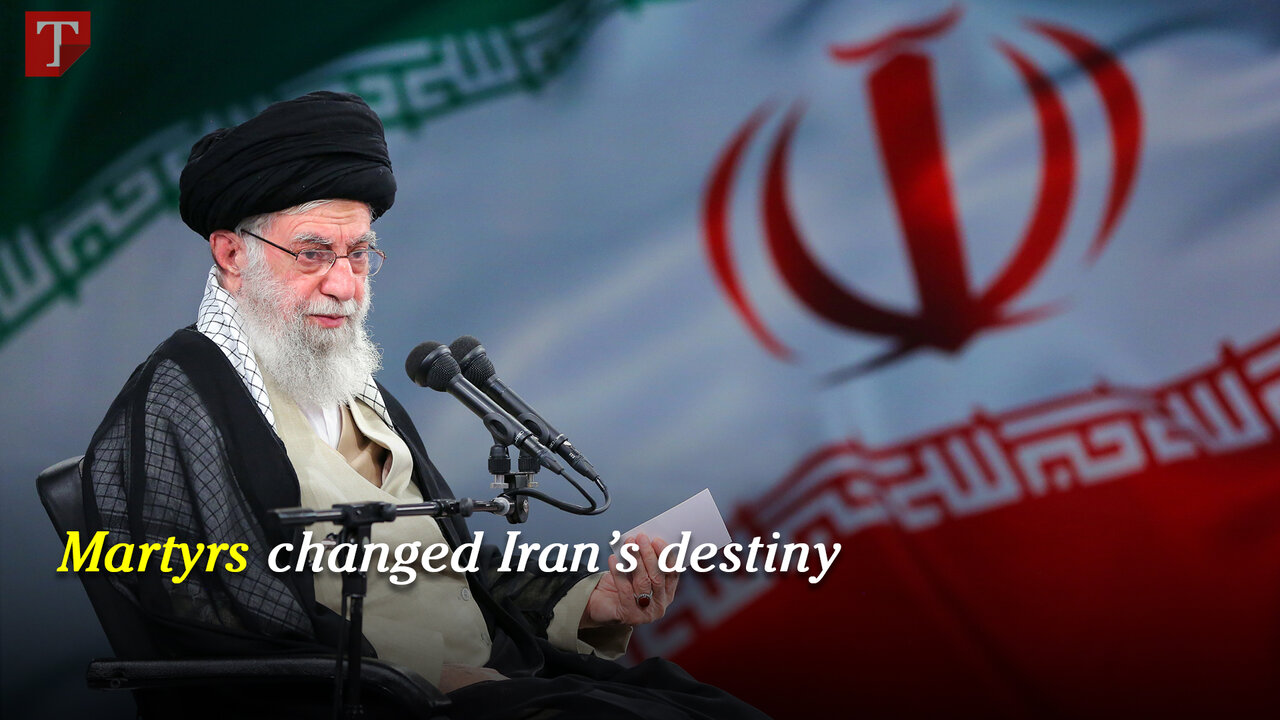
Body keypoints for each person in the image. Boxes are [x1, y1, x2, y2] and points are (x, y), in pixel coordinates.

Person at [80, 91, 767, 719]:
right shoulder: (180, 401)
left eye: (358, 255)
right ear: (232, 255)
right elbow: (218, 622)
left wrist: (588, 601)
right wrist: (422, 681)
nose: (344, 285)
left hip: (495, 681)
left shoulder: (349, 382)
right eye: (313, 253)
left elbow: (445, 565)